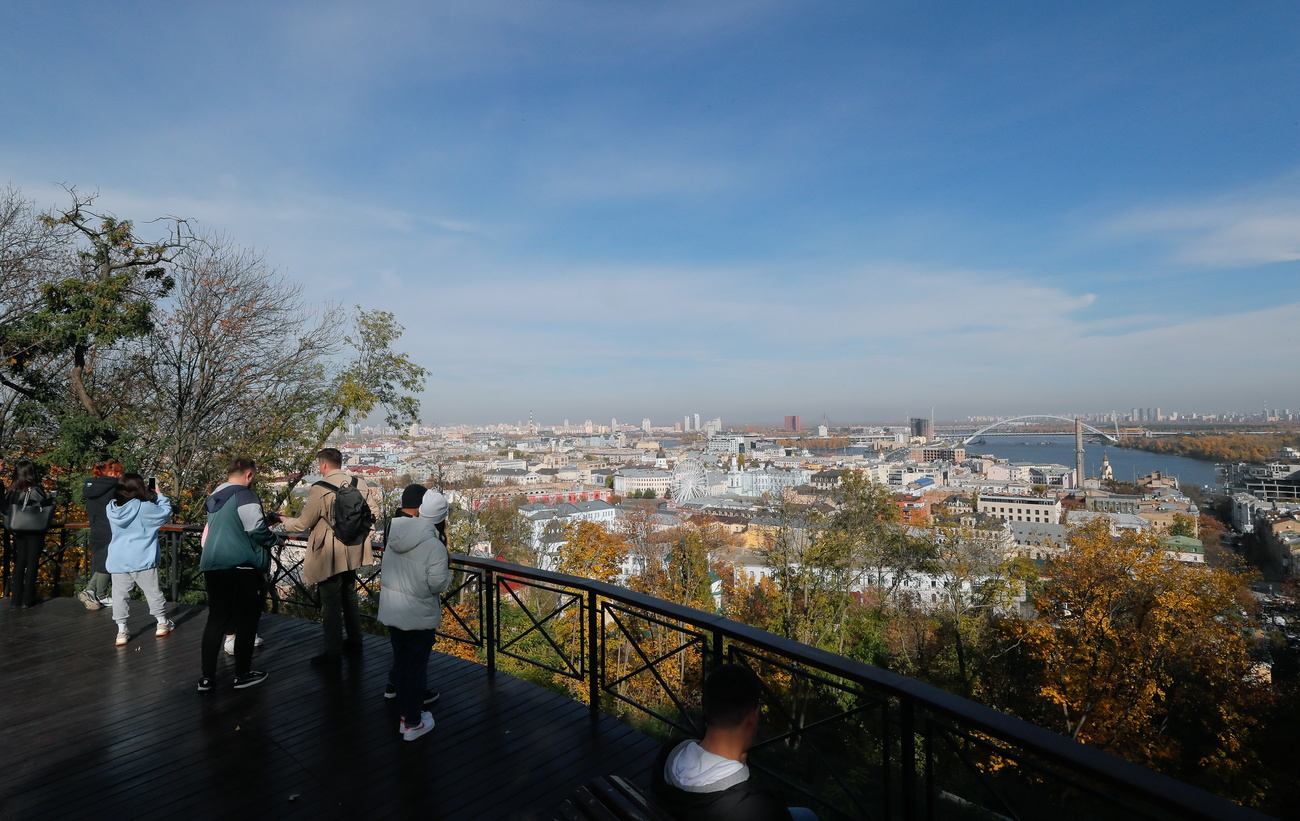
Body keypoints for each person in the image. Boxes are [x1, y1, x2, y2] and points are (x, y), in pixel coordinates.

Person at [653, 664, 818, 821]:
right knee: (808, 816)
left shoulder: (668, 754)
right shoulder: (759, 807)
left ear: (705, 708)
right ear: (752, 718)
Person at [278, 448, 376, 667]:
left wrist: (284, 520)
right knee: (349, 597)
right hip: (354, 549)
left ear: (323, 465)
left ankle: (332, 654)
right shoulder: (358, 483)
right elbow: (373, 514)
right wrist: (359, 535)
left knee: (330, 602)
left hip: (329, 553)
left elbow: (303, 523)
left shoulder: (320, 489)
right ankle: (355, 641)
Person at [197, 457, 277, 691]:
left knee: (216, 621)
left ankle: (206, 678)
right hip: (242, 566)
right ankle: (242, 674)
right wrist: (274, 538)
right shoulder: (245, 494)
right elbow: (255, 529)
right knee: (246, 621)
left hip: (213, 564)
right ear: (249, 475)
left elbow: (230, 525)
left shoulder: (215, 497)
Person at [379, 486, 451, 741]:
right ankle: (411, 722)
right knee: (416, 668)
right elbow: (437, 584)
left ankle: (399, 697)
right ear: (441, 519)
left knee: (402, 659)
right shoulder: (434, 546)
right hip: (418, 614)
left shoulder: (395, 531)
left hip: (393, 609)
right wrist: (449, 575)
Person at [106, 474, 174, 647]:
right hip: (142, 558)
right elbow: (165, 513)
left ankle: (121, 631)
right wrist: (159, 495)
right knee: (152, 592)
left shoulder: (111, 508)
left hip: (118, 559)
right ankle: (161, 622)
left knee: (120, 596)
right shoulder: (144, 507)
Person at [4, 459, 51, 609]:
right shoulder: (36, 489)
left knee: (20, 562)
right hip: (35, 529)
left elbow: (6, 509)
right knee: (32, 564)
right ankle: (28, 598)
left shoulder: (11, 490)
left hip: (18, 528)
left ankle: (15, 598)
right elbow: (42, 505)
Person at [78, 461, 122, 610]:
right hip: (110, 528)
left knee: (102, 559)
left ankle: (93, 591)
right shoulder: (114, 488)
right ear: (111, 474)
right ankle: (98, 594)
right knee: (108, 562)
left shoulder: (91, 486)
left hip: (96, 527)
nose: (120, 476)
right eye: (119, 473)